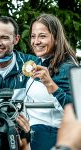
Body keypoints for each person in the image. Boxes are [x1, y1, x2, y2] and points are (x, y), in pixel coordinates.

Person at [25, 13, 78, 150]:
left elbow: (77, 110)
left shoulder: (67, 67)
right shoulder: (39, 62)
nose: (36, 41)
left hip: (52, 136)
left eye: (42, 36)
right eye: (33, 36)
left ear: (56, 38)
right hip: (32, 135)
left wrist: (51, 85)